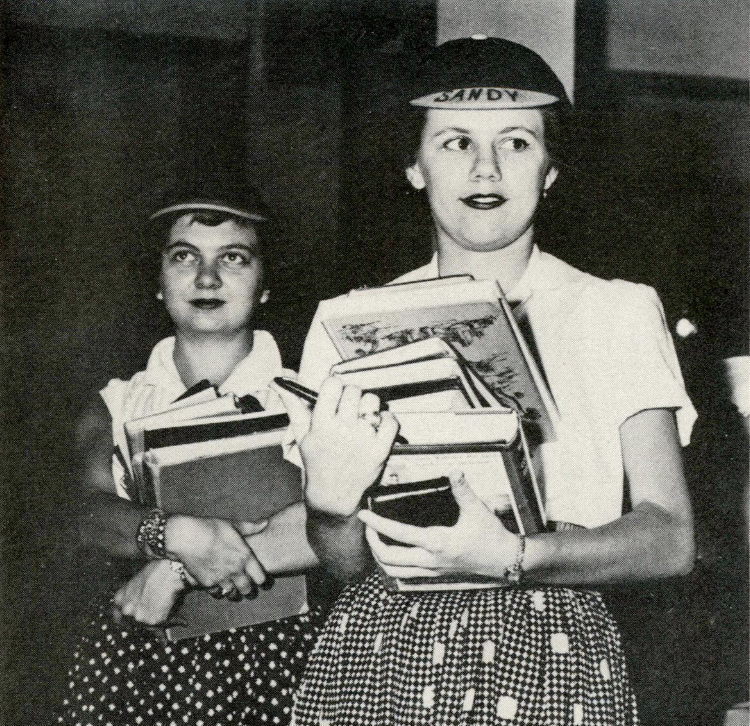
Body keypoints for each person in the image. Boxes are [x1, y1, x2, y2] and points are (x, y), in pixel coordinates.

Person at [276, 37, 697, 726]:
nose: (486, 167)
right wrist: (329, 506)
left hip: (551, 643)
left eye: (518, 142)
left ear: (551, 169)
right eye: (454, 142)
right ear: (414, 166)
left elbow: (671, 539)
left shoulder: (617, 309)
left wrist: (514, 555)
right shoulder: (347, 321)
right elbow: (347, 562)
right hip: (385, 651)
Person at [56, 178, 324, 726]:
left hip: (291, 655)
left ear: (265, 282)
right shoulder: (118, 403)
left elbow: (336, 523)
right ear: (158, 279)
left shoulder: (311, 396)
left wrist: (175, 568)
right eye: (184, 257)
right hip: (146, 658)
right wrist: (177, 533)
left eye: (234, 258)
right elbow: (85, 515)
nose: (207, 278)